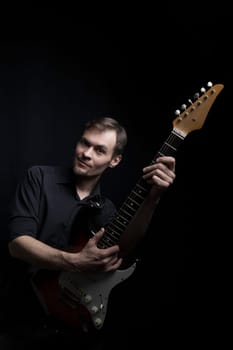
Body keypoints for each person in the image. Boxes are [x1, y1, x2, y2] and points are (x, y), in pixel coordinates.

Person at [2, 116, 176, 349]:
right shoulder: (39, 178)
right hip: (18, 316)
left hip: (70, 323)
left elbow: (122, 251)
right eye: (85, 143)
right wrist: (74, 262)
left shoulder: (108, 210)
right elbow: (17, 244)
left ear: (114, 161)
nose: (86, 153)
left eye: (99, 150)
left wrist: (152, 199)